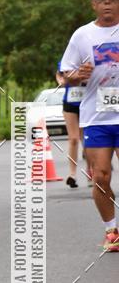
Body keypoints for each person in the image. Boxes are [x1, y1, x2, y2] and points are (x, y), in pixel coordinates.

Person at [60, 0, 119, 252]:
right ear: (94, 3)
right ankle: (112, 230)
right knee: (101, 176)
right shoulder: (82, 35)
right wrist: (75, 76)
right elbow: (64, 75)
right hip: (97, 116)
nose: (107, 2)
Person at [54, 60, 87, 188]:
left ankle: (91, 172)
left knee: (86, 140)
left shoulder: (88, 58)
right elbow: (59, 74)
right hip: (70, 103)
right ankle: (72, 175)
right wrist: (61, 81)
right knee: (73, 139)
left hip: (86, 104)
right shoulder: (66, 59)